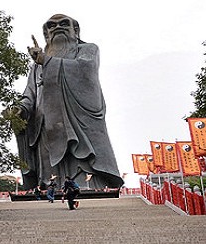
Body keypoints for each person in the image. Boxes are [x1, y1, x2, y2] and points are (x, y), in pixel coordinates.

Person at [10, 14, 124, 192]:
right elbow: (30, 93)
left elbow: (86, 70)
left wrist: (45, 61)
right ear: (46, 35)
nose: (57, 28)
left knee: (78, 158)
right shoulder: (36, 65)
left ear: (75, 30)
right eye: (51, 26)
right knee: (49, 168)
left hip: (76, 118)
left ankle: (88, 185)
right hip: (46, 124)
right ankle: (49, 187)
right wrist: (21, 108)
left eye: (64, 24)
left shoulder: (87, 49)